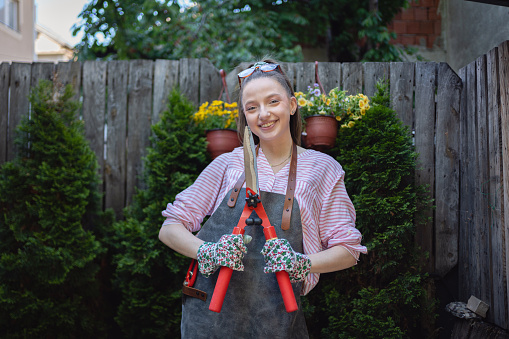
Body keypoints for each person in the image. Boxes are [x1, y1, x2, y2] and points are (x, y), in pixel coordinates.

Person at [159, 59, 367, 338]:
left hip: (276, 321)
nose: (263, 114)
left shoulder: (322, 169)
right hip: (209, 319)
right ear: (245, 115)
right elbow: (170, 228)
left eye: (273, 102)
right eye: (252, 107)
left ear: (292, 105)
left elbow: (348, 251)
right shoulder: (228, 165)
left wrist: (301, 262)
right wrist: (207, 251)